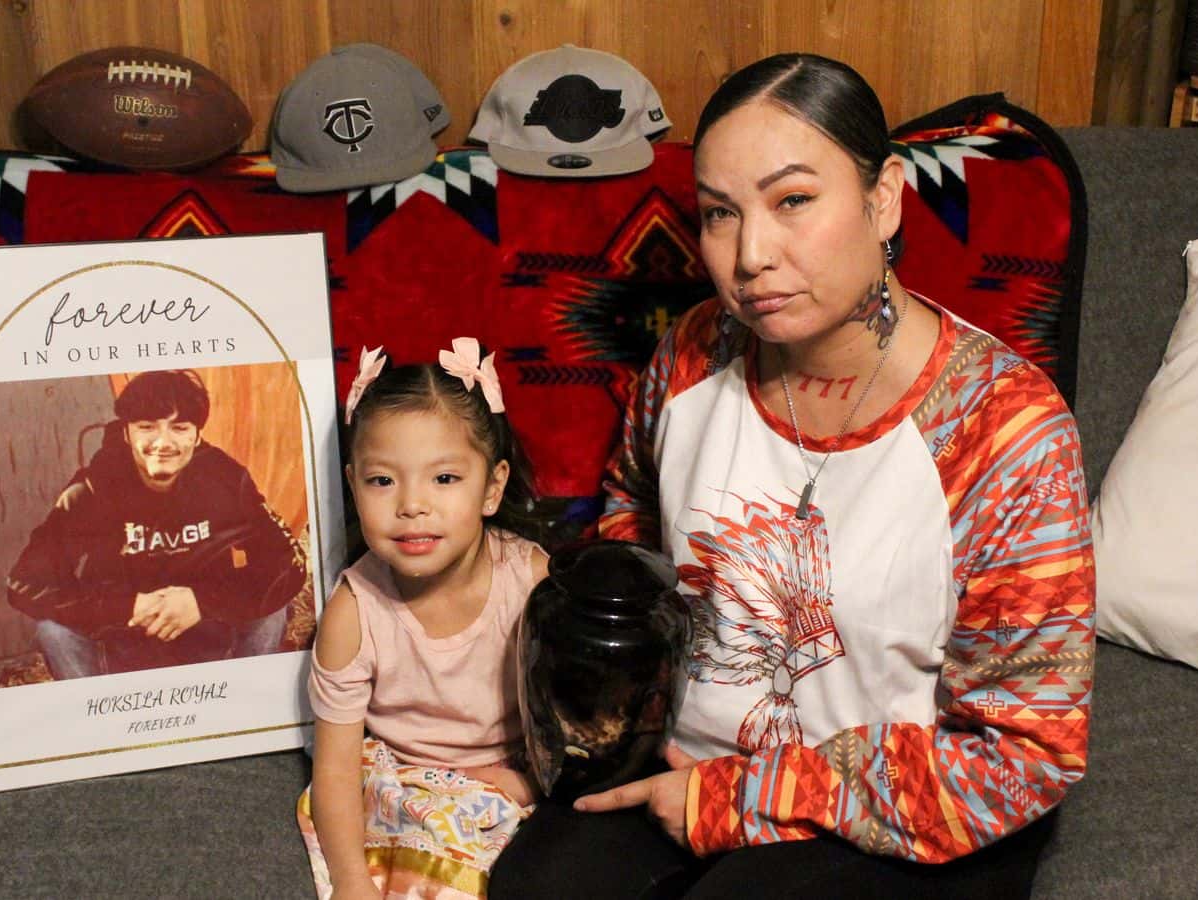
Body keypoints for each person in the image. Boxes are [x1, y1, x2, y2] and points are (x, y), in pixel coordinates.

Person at [489, 53, 1095, 899]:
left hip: (903, 807)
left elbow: (1026, 755)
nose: (750, 255)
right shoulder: (693, 352)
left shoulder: (1005, 431)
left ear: (883, 197)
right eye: (719, 214)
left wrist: (744, 799)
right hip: (688, 761)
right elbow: (633, 517)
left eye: (794, 201)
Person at [298, 339, 550, 900]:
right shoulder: (354, 612)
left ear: (493, 486)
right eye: (382, 480)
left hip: (515, 774)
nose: (412, 504)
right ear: (352, 483)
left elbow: (575, 720)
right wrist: (351, 882)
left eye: (444, 479)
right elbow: (334, 773)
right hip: (401, 781)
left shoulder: (531, 581)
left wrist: (530, 780)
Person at [7, 368, 306, 678]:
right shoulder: (93, 489)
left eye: (179, 427)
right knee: (53, 631)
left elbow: (290, 563)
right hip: (121, 647)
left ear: (197, 434)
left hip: (210, 638)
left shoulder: (226, 479)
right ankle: (102, 715)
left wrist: (203, 602)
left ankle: (244, 706)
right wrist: (128, 606)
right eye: (147, 427)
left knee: (272, 611)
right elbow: (24, 583)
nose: (164, 442)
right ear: (126, 432)